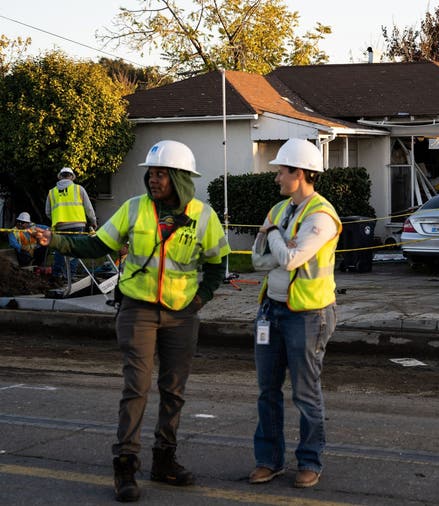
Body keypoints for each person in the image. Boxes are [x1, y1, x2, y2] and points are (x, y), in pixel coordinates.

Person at [32, 140, 231, 502]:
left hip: (181, 316)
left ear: (180, 178)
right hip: (137, 310)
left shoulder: (204, 216)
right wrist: (57, 241)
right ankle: (125, 464)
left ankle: (164, 460)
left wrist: (199, 299)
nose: (153, 180)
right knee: (136, 387)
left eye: (160, 174)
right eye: (150, 173)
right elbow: (97, 246)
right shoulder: (134, 209)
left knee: (174, 390)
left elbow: (218, 265)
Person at [248, 138, 341, 489]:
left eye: (281, 172)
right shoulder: (279, 209)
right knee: (266, 390)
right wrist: (279, 240)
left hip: (307, 314)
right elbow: (258, 260)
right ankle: (268, 461)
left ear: (299, 173)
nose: (277, 179)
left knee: (305, 392)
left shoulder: (321, 217)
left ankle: (309, 460)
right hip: (270, 310)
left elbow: (290, 260)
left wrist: (273, 236)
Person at [45, 166, 97, 280]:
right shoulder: (79, 189)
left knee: (60, 250)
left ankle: (57, 274)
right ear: (71, 177)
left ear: (60, 176)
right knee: (75, 250)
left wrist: (57, 219)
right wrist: (93, 221)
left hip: (59, 225)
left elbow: (48, 212)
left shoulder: (52, 192)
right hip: (77, 224)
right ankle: (70, 275)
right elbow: (88, 208)